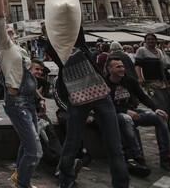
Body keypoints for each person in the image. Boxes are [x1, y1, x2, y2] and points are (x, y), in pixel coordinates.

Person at [49, 29, 130, 188]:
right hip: (79, 102)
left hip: (101, 98)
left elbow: (77, 25)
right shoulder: (58, 53)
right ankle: (66, 179)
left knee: (115, 146)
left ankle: (121, 184)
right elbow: (51, 42)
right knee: (71, 143)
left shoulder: (81, 47)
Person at [0, 0, 41, 188]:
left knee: (28, 143)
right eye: (7, 30)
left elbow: (28, 75)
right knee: (35, 151)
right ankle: (22, 183)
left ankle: (19, 177)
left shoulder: (20, 49)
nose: (9, 30)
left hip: (29, 100)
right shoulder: (4, 45)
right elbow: (1, 15)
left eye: (11, 30)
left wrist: (39, 98)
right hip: (17, 103)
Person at [106, 56, 170, 174]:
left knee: (159, 117)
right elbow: (107, 106)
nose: (122, 69)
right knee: (127, 119)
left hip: (135, 111)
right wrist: (125, 111)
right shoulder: (105, 84)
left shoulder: (130, 80)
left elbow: (143, 97)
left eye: (123, 66)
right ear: (110, 69)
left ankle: (166, 156)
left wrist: (156, 108)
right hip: (117, 116)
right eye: (118, 67)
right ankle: (137, 155)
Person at [134, 33, 170, 133]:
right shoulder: (141, 50)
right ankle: (161, 125)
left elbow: (165, 66)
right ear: (145, 40)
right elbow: (137, 65)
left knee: (168, 104)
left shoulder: (159, 51)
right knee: (160, 104)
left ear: (156, 40)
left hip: (164, 81)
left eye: (152, 39)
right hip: (151, 82)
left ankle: (167, 125)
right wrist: (140, 77)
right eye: (148, 39)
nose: (150, 41)